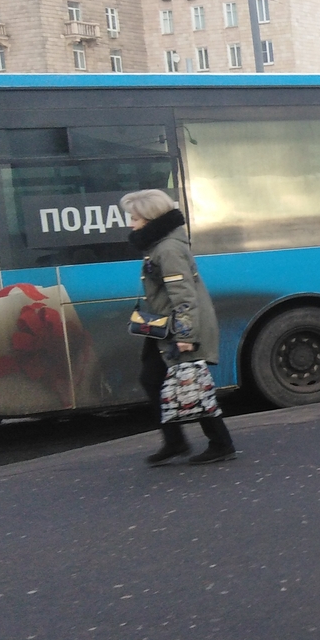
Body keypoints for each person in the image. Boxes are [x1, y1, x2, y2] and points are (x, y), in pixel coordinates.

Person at [122, 189, 236, 464]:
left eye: (135, 218)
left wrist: (186, 336)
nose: (131, 224)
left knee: (190, 383)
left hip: (179, 329)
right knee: (154, 380)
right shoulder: (160, 245)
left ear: (149, 219)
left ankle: (220, 443)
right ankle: (175, 441)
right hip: (164, 327)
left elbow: (184, 295)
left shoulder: (168, 249)